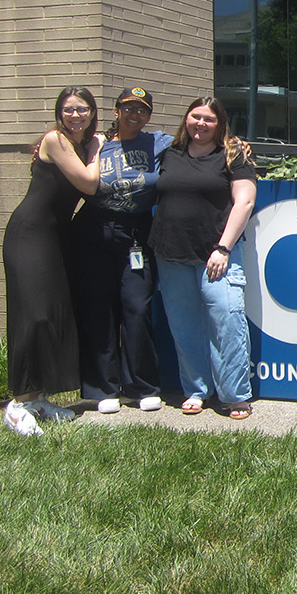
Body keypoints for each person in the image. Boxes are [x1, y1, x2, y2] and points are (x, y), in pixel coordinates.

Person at [1, 86, 103, 436]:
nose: (76, 115)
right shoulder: (56, 140)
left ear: (92, 112)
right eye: (69, 109)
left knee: (57, 312)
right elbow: (89, 184)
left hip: (55, 237)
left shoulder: (74, 146)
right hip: (29, 235)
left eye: (83, 109)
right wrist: (97, 149)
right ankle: (17, 404)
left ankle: (38, 397)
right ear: (59, 113)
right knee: (35, 314)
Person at [149, 96, 257, 419]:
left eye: (208, 119)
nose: (200, 123)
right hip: (171, 252)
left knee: (227, 318)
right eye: (195, 117)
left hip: (217, 253)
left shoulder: (232, 156)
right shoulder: (168, 153)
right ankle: (196, 390)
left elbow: (245, 202)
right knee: (184, 326)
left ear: (219, 123)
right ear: (186, 120)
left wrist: (223, 248)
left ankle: (235, 395)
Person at [72, 87, 173, 414]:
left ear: (149, 116)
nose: (135, 115)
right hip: (94, 232)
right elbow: (61, 147)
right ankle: (104, 389)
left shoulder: (157, 142)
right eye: (128, 108)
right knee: (99, 310)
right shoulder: (97, 142)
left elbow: (199, 139)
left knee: (136, 306)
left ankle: (142, 386)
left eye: (141, 110)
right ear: (116, 111)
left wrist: (235, 144)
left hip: (136, 233)